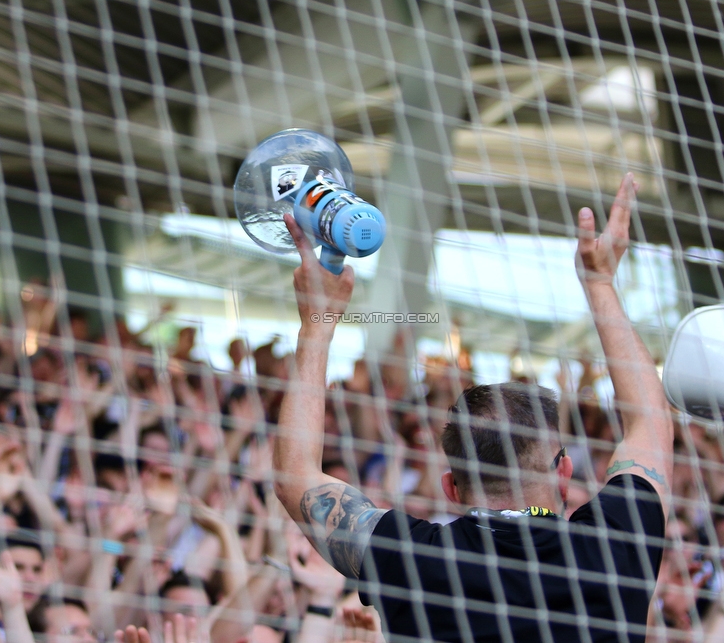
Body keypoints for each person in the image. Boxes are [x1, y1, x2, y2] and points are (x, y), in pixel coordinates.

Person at [273, 173, 673, 642]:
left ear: (452, 488)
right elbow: (650, 421)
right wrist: (600, 284)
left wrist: (317, 325)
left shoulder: (417, 560)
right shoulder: (614, 548)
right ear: (562, 471)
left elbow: (295, 476)